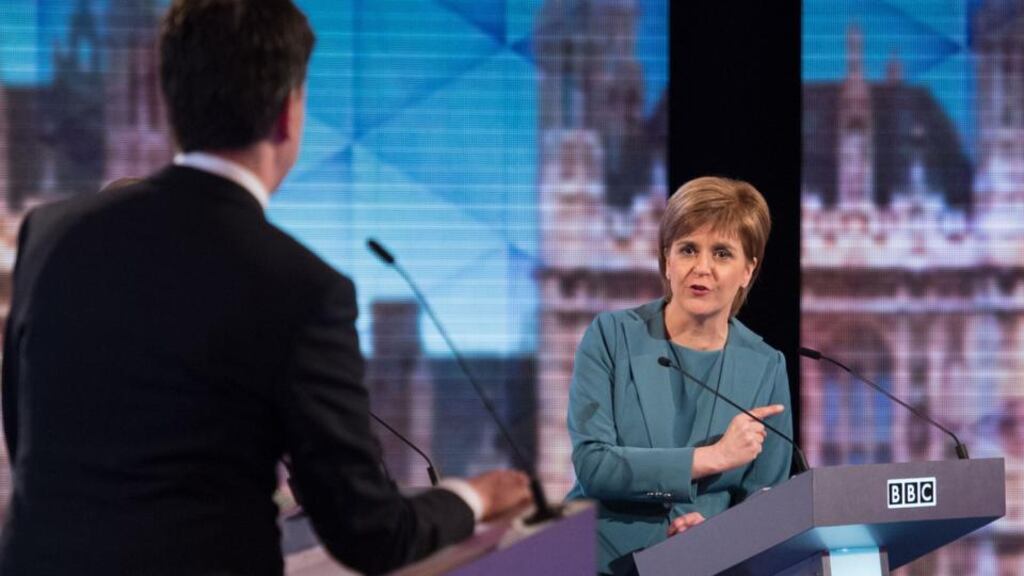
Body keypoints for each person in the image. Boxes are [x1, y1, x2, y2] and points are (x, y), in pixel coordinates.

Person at [0, 1, 530, 574]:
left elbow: (29, 436)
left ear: (173, 103)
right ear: (288, 113)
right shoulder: (301, 289)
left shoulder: (48, 234)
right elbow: (371, 533)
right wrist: (474, 497)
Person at [566, 176, 794, 575]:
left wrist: (716, 536)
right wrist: (712, 458)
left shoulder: (766, 365)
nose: (701, 268)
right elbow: (594, 467)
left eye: (722, 253)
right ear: (666, 260)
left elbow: (765, 499)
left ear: (748, 270)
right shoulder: (611, 336)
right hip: (603, 562)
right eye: (688, 249)